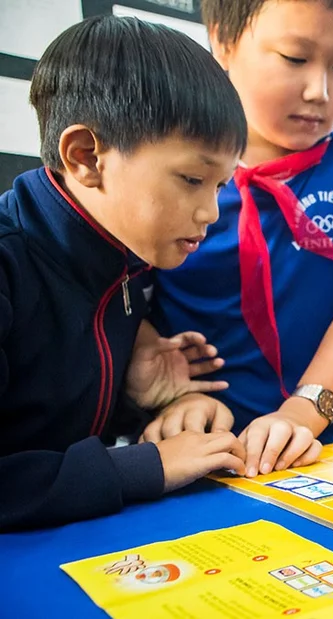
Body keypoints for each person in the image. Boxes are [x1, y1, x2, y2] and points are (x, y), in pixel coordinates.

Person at [149, 0, 333, 479]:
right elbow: (125, 293)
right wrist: (175, 392)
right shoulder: (167, 161)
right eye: (295, 59)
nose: (319, 90)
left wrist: (304, 411)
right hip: (191, 439)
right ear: (223, 40)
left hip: (320, 440)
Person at [0, 16, 249, 531]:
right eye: (193, 179)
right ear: (87, 157)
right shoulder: (10, 264)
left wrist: (163, 404)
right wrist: (148, 466)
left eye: (221, 185)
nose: (212, 212)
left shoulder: (129, 258)